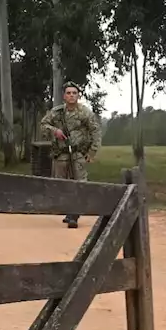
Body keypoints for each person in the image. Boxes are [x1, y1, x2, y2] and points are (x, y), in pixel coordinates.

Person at [39, 81, 102, 228]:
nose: (72, 95)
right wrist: (55, 131)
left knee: (80, 183)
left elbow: (95, 131)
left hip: (78, 153)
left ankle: (75, 214)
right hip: (61, 154)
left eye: (74, 93)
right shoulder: (57, 112)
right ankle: (69, 211)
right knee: (62, 184)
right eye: (69, 93)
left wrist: (92, 152)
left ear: (78, 96)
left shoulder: (85, 112)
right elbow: (43, 125)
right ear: (64, 96)